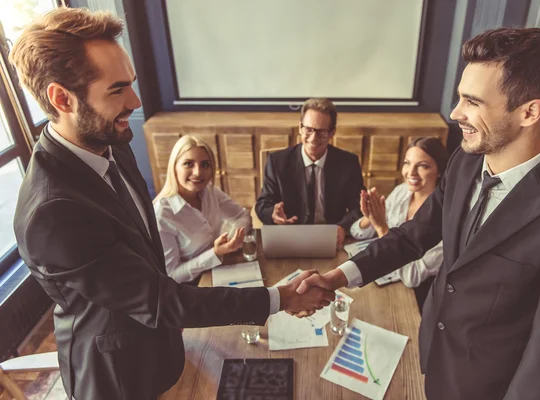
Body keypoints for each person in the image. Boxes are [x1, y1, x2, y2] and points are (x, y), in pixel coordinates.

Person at [10, 8, 333, 400]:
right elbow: (160, 298)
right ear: (62, 98)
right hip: (119, 375)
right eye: (117, 89)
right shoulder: (51, 211)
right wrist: (280, 297)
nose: (136, 100)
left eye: (131, 83)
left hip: (166, 345)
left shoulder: (112, 142)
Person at [296, 27, 540, 400]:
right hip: (434, 358)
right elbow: (414, 234)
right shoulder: (464, 161)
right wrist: (337, 278)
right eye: (459, 98)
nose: (455, 113)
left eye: (472, 102)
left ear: (529, 112)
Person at [255, 98, 364, 248]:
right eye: (308, 129)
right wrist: (273, 215)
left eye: (321, 132)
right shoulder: (277, 162)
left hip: (331, 238)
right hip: (290, 238)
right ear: (300, 127)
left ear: (332, 133)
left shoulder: (348, 163)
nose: (313, 138)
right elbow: (262, 205)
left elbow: (359, 206)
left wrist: (343, 227)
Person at [350, 137, 447, 294]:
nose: (411, 172)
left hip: (418, 294)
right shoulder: (402, 191)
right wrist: (370, 217)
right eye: (407, 163)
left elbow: (412, 277)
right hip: (387, 280)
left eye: (422, 166)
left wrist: (381, 228)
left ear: (439, 172)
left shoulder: (446, 216)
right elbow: (357, 232)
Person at [154, 135, 251, 284]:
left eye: (205, 164)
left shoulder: (210, 191)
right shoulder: (162, 214)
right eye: (188, 164)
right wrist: (215, 253)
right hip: (191, 286)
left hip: (219, 269)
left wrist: (233, 238)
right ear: (174, 167)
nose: (198, 172)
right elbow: (172, 275)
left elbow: (242, 215)